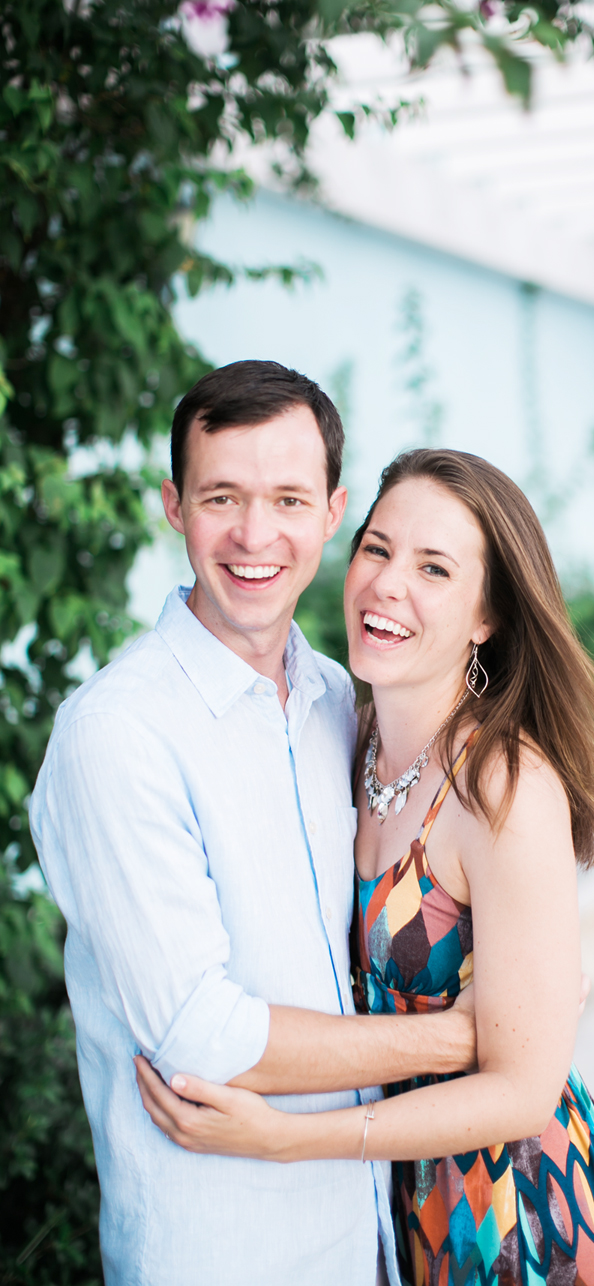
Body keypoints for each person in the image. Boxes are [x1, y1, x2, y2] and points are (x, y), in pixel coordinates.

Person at [135, 448, 594, 1286]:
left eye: (434, 568)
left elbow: (523, 1089)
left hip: (513, 1204)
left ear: (488, 616)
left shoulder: (503, 787)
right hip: (397, 1196)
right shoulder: (341, 731)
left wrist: (288, 1138)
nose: (387, 584)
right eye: (377, 548)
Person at [31, 361, 477, 1286]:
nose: (253, 534)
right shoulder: (118, 732)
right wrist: (463, 1036)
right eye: (221, 496)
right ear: (173, 505)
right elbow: (201, 1033)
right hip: (220, 1245)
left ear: (332, 511)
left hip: (370, 1231)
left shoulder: (337, 701)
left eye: (287, 498)